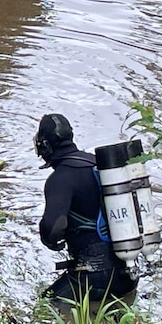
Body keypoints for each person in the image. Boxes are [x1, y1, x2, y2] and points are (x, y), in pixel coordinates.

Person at [34, 113, 138, 305]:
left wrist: (50, 240)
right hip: (129, 274)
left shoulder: (60, 179)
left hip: (93, 278)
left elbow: (53, 227)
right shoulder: (102, 165)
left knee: (44, 308)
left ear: (45, 146)